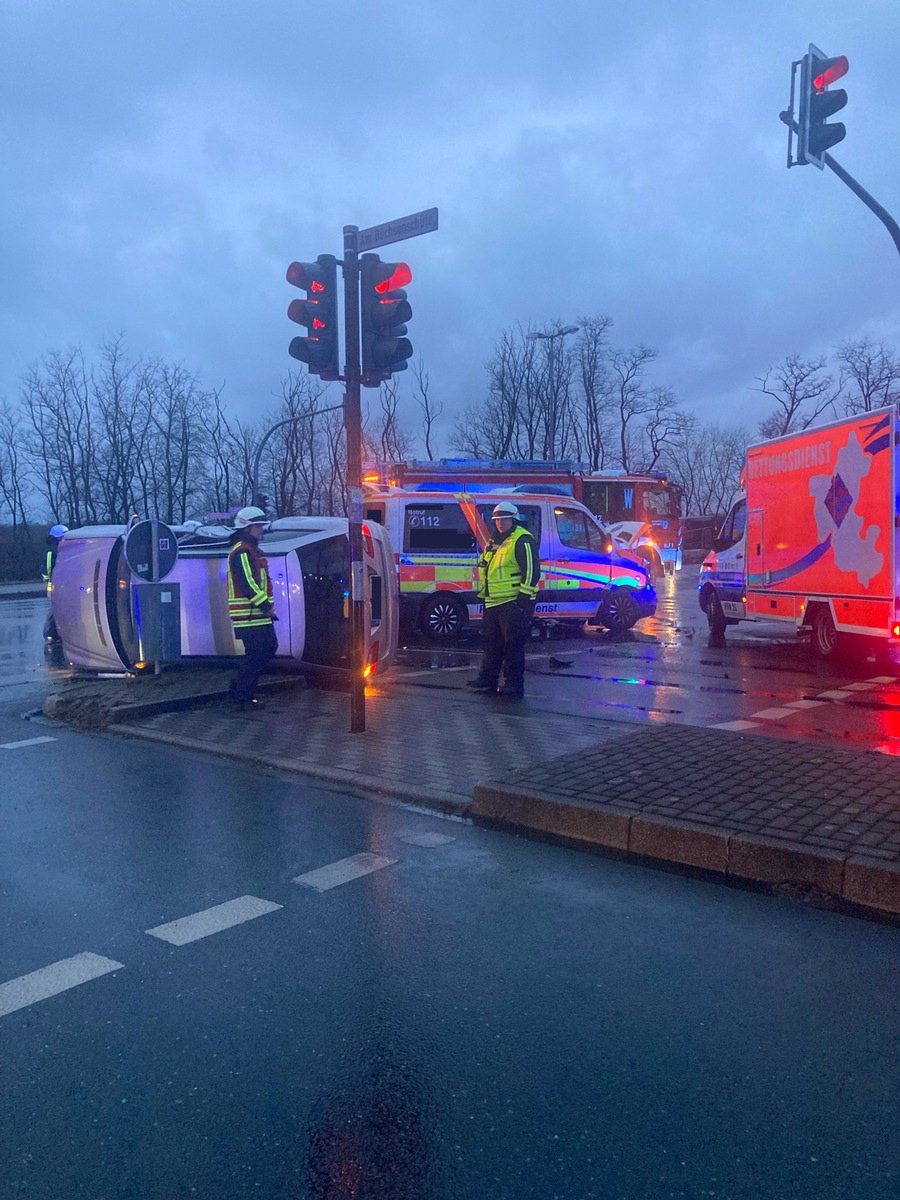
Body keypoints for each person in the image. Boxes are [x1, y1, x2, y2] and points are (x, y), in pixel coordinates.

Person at [466, 500, 540, 699]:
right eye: (497, 519)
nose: (500, 523)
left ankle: (514, 684)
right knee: (492, 643)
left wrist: (523, 600)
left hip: (513, 602)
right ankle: (488, 678)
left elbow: (532, 572)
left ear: (513, 520)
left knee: (513, 645)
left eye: (504, 519)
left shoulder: (522, 539)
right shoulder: (495, 541)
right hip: (493, 601)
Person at [226, 505, 278, 710]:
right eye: (258, 526)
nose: (262, 529)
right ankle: (242, 697)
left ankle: (241, 689)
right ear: (247, 528)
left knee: (266, 649)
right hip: (250, 615)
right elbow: (247, 583)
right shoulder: (242, 552)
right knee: (257, 654)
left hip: (257, 615)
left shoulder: (250, 551)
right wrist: (265, 605)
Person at [42, 524, 68, 643]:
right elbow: (48, 567)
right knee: (54, 608)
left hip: (59, 582)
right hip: (53, 583)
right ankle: (50, 633)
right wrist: (49, 579)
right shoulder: (52, 550)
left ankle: (56, 633)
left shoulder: (57, 548)